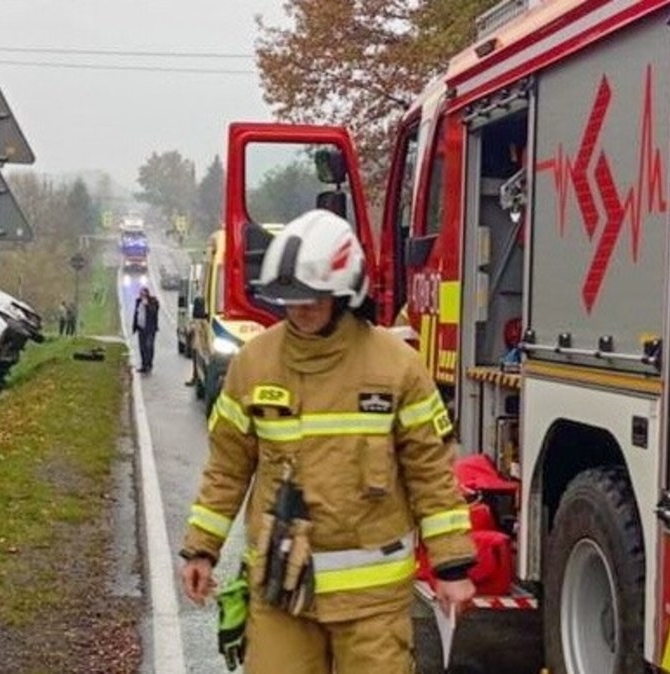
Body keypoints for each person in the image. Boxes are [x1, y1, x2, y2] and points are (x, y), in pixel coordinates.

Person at [178, 209, 477, 673]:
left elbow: (431, 472)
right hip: (282, 590)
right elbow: (227, 468)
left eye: (313, 299)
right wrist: (201, 549)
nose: (300, 310)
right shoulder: (253, 364)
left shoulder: (397, 368)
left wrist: (452, 567)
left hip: (373, 605)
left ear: (346, 293)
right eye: (290, 299)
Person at [132, 287, 160, 373]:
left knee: (149, 347)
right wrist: (134, 326)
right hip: (141, 328)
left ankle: (149, 365)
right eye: (141, 294)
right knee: (142, 348)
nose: (142, 296)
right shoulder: (138, 302)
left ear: (147, 294)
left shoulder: (153, 301)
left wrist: (147, 305)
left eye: (143, 294)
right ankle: (144, 365)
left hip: (150, 329)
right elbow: (136, 314)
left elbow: (154, 312)